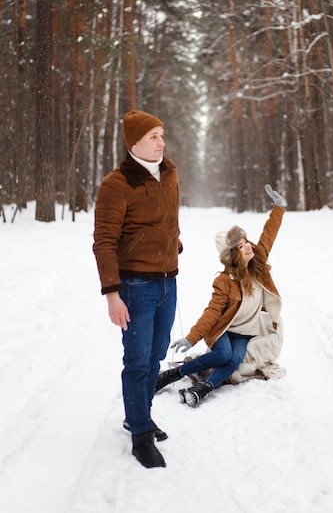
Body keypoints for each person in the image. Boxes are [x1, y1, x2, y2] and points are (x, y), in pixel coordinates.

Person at [93, 110, 182, 469]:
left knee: (157, 354)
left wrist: (173, 245)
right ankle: (141, 435)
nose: (162, 142)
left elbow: (169, 219)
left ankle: (137, 415)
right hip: (135, 286)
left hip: (168, 281)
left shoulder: (170, 173)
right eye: (154, 137)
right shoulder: (116, 184)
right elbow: (104, 242)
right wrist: (112, 293)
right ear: (134, 145)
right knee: (138, 361)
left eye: (162, 134)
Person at [155, 184, 286, 408]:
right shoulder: (224, 281)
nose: (247, 247)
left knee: (234, 360)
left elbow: (268, 235)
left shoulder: (258, 265)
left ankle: (201, 389)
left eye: (246, 242)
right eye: (240, 246)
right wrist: (192, 338)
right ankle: (174, 374)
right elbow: (212, 312)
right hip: (224, 330)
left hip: (245, 334)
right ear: (232, 256)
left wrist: (279, 208)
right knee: (224, 355)